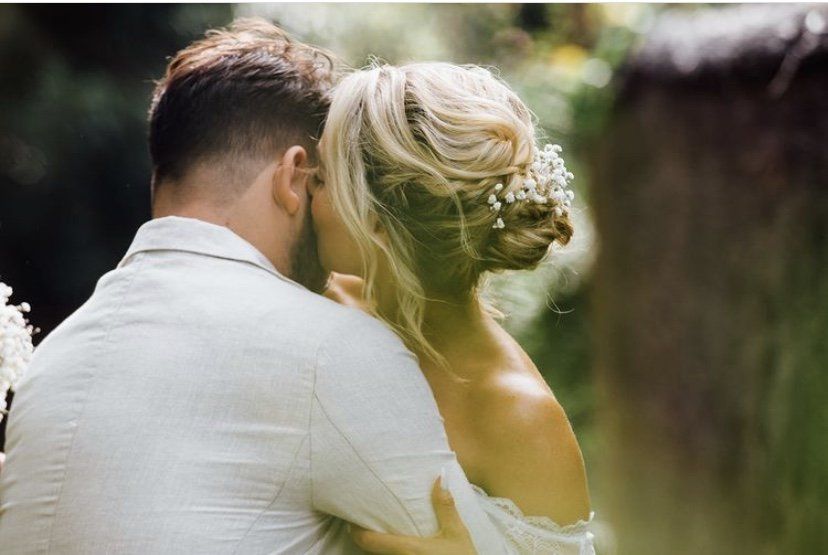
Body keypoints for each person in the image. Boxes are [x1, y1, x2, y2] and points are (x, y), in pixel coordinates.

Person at [0, 20, 510, 554]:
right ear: (293, 177)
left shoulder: (52, 362)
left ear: (161, 176)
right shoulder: (328, 349)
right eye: (325, 184)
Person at [311, 62, 595, 554]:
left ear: (376, 224)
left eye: (322, 177)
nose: (302, 190)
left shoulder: (520, 419)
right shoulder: (317, 308)